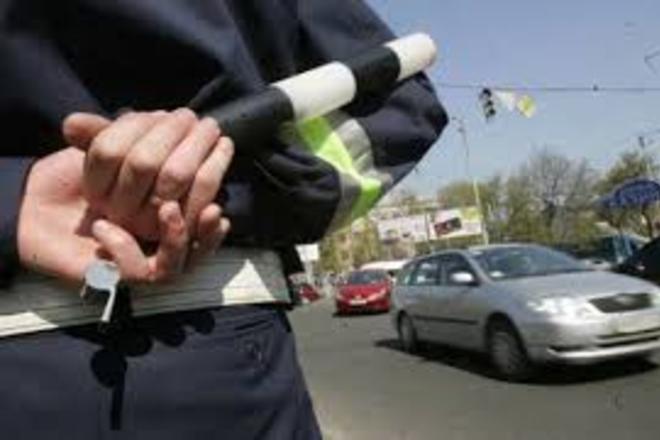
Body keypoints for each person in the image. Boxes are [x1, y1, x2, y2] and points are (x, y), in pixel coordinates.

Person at [0, 0, 446, 438]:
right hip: (218, 352)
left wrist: (195, 180)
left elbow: (395, 94)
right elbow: (399, 107)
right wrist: (220, 185)